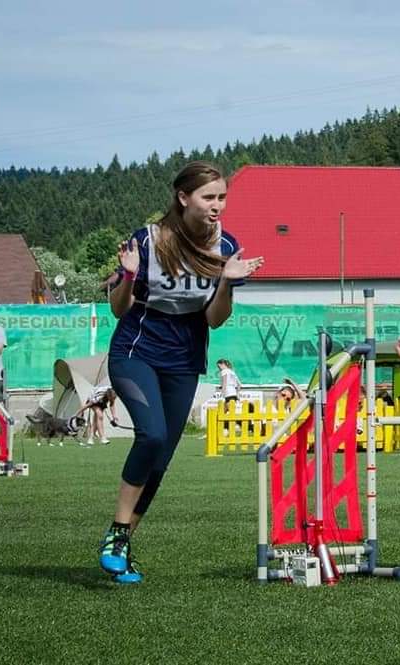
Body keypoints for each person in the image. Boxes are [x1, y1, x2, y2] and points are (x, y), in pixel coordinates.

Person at [97, 161, 263, 585]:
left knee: (162, 458)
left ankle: (123, 544)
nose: (217, 205)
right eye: (209, 197)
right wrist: (130, 274)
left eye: (222, 197)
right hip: (136, 350)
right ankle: (116, 532)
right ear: (183, 197)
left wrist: (226, 282)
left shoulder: (227, 245)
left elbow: (215, 320)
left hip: (185, 359)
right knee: (150, 435)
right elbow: (119, 310)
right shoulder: (148, 241)